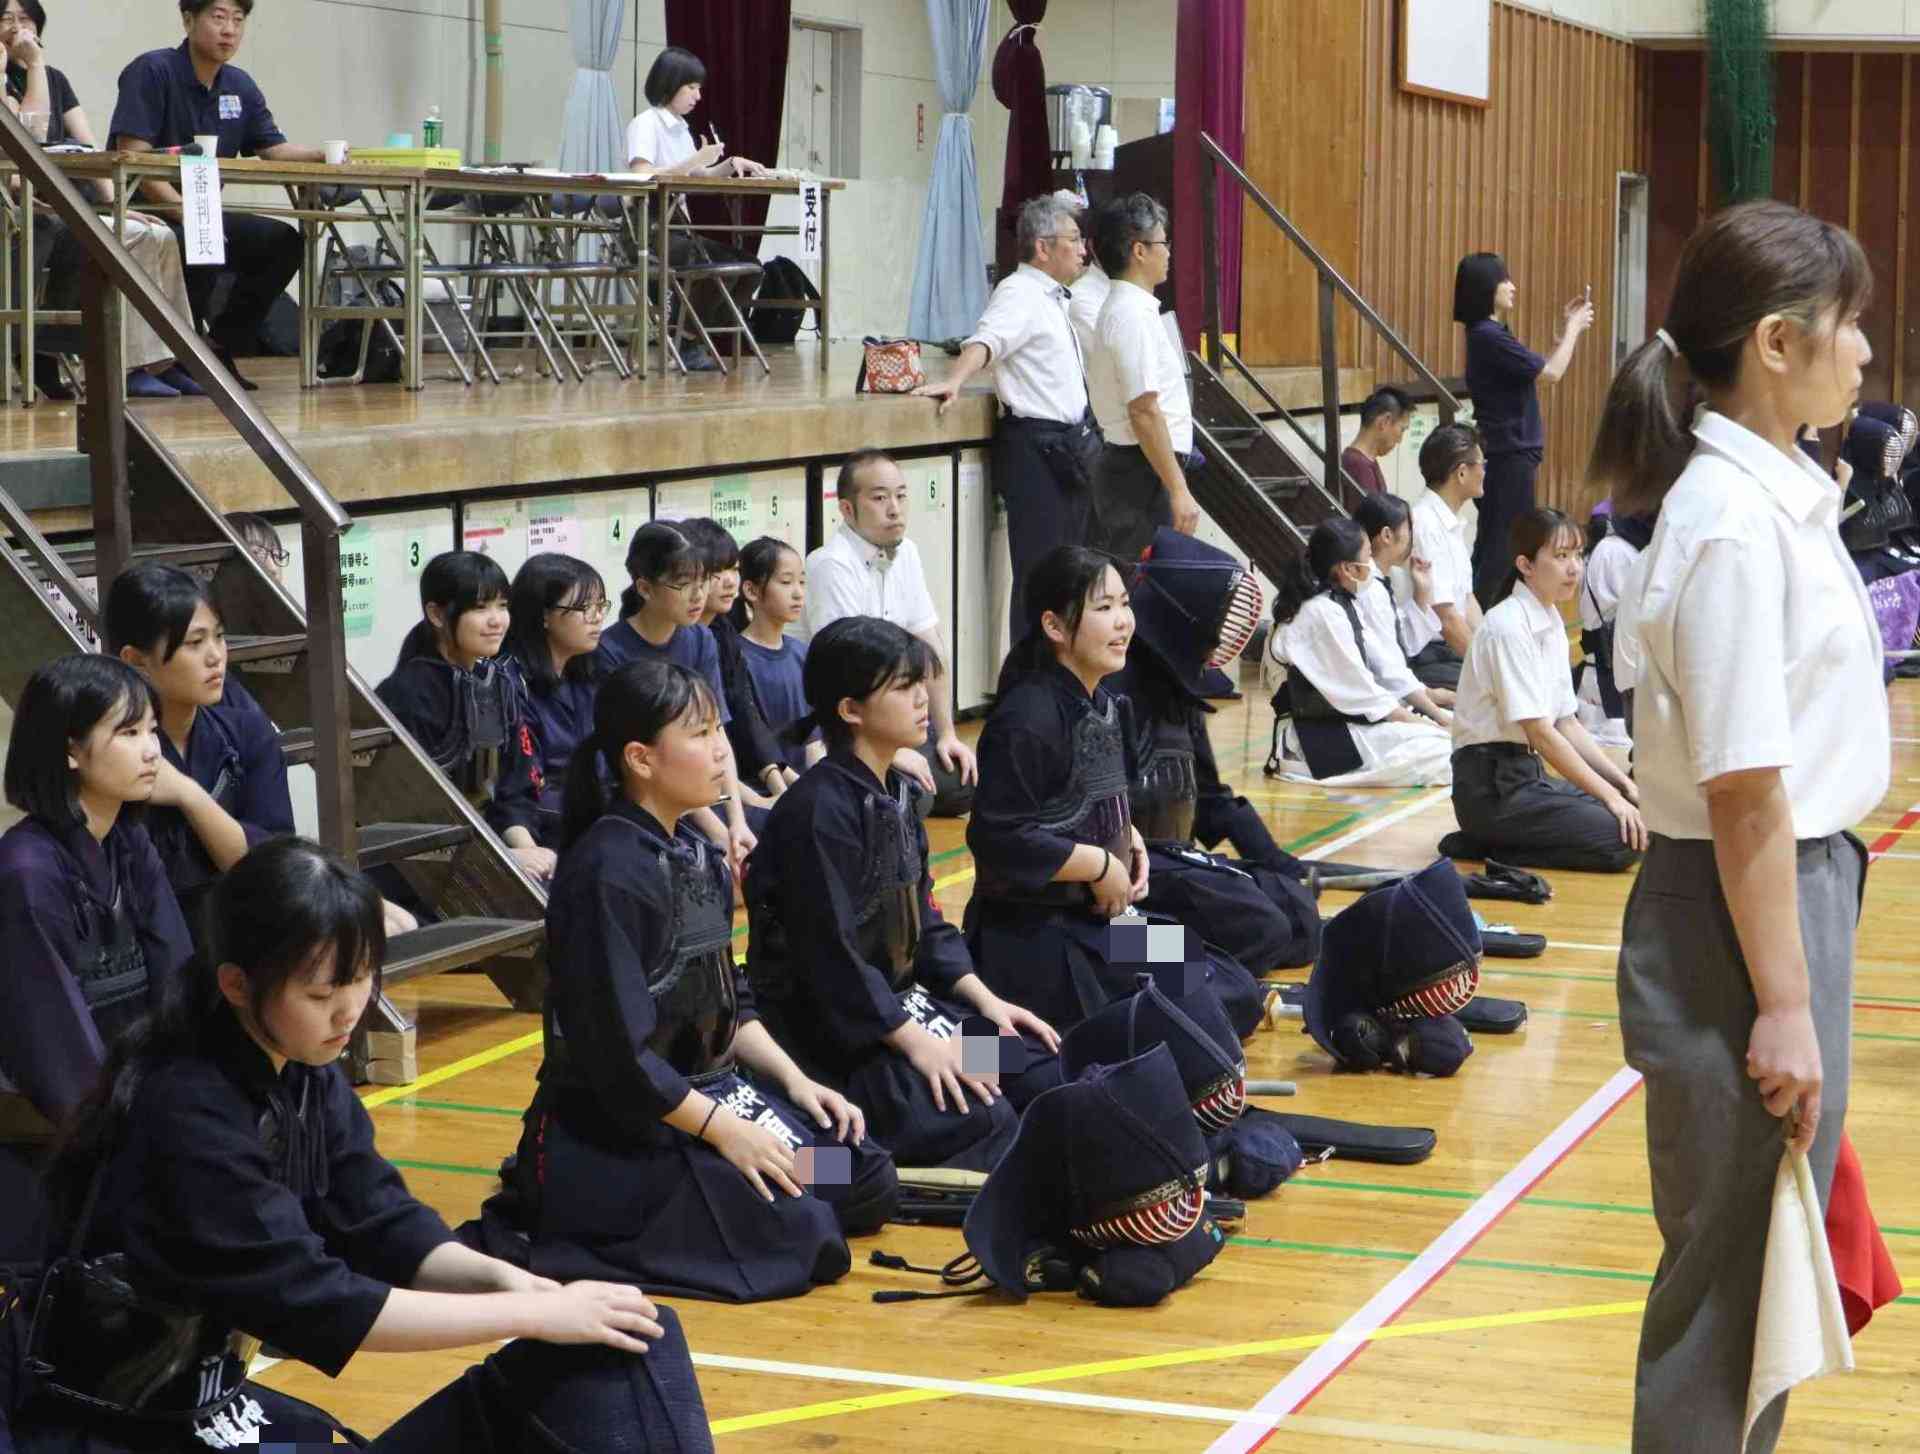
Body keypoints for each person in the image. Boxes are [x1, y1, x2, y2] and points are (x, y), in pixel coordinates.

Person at [0, 837, 717, 1451]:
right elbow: (320, 1300)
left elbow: (376, 1216)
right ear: (237, 985)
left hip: (741, 1126)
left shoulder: (700, 857)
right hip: (131, 1420)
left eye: (363, 979)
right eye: (322, 994)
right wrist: (533, 1310)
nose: (351, 1010)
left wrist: (514, 1283)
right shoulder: (185, 1109)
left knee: (644, 1331)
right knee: (788, 1227)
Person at [1593, 200, 1884, 1454]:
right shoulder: (1725, 522)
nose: (1862, 353)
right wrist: (1783, 999)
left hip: (1785, 896)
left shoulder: (1775, 501)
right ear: (1776, 342)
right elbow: (1745, 788)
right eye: (1847, 326)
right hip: (1741, 912)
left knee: (1764, 1276)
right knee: (1727, 1290)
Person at [467, 661, 898, 1304]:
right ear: (641, 758)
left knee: (862, 1177)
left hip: (721, 1091)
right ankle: (555, 1220)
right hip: (632, 1130)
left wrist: (797, 1082)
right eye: (700, 734)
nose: (722, 750)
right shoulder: (607, 873)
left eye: (718, 729)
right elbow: (621, 1059)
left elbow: (731, 998)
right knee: (807, 1233)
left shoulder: (698, 851)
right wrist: (725, 1130)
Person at [746, 617, 1060, 1172]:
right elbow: (831, 958)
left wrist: (987, 1002)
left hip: (908, 1004)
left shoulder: (898, 790)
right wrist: (914, 1042)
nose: (924, 699)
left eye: (923, 682)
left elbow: (929, 922)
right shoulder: (817, 812)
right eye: (903, 686)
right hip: (846, 1032)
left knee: (1036, 1068)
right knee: (979, 1115)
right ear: (850, 710)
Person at [965, 545, 1266, 1038]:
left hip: (1102, 924)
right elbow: (999, 838)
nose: (1123, 622)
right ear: (1054, 626)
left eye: (1125, 604)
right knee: (1181, 1015)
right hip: (1035, 935)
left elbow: (1092, 794)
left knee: (1228, 986)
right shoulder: (1026, 718)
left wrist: (1128, 840)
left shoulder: (1105, 702)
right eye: (1104, 608)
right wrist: (1101, 865)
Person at [0, 655, 192, 1269]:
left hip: (118, 1098)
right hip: (38, 1125)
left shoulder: (131, 841)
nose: (150, 750)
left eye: (153, 731)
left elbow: (177, 978)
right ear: (71, 752)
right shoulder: (26, 873)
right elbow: (53, 1050)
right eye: (128, 732)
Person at [1109, 529, 1325, 974]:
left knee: (1299, 917)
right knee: (1258, 938)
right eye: (1104, 608)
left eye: (1121, 606)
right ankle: (1154, 960)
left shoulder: (1173, 689)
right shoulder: (1083, 700)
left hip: (1167, 870)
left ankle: (1188, 959)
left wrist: (1279, 864)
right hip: (1102, 908)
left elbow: (1209, 800)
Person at [109, 0, 333, 384]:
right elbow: (133, 156)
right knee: (201, 238)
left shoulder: (240, 85)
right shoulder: (153, 70)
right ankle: (176, 355)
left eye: (238, 19)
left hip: (202, 210)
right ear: (188, 19)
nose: (229, 29)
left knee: (282, 242)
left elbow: (272, 149)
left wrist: (327, 156)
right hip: (148, 208)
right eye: (218, 17)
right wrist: (184, 210)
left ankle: (216, 345)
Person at [913, 194, 1099, 637]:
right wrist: (955, 379)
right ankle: (1030, 682)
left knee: (1071, 572)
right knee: (1040, 575)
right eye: (1073, 239)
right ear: (1042, 247)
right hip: (1037, 448)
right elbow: (986, 340)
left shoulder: (1052, 296)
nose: (1083, 249)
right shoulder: (1018, 292)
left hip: (1070, 445)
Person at [2, 0, 204, 401]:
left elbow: (90, 149)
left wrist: (119, 206)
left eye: (25, 19)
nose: (16, 27)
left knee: (159, 233)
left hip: (75, 200)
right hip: (28, 204)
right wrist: (33, 64)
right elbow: (32, 133)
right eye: (5, 19)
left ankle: (167, 359)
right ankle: (125, 366)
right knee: (128, 239)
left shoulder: (57, 80)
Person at [1439, 507, 1644, 873]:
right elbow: (1542, 734)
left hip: (1524, 776)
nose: (1574, 568)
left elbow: (1567, 724)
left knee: (1642, 816)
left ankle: (1495, 840)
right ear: (1526, 565)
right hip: (1490, 790)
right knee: (1619, 840)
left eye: (1578, 555)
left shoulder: (1549, 620)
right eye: (1561, 556)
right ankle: (1484, 843)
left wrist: (1623, 787)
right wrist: (1611, 798)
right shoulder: (1507, 626)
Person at [102, 563, 290, 928]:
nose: (216, 656)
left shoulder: (248, 731)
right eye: (195, 642)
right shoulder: (109, 750)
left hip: (241, 929)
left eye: (219, 637)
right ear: (136, 661)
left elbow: (272, 868)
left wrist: (189, 794)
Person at [798, 450, 978, 816]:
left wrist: (947, 733)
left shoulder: (907, 552)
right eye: (879, 498)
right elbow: (848, 675)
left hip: (893, 715)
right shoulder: (830, 565)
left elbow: (931, 651)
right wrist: (893, 751)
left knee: (964, 781)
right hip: (850, 727)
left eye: (900, 495)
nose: (894, 508)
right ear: (847, 510)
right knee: (913, 795)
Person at [375, 551, 553, 884]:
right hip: (421, 869)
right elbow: (411, 811)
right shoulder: (407, 696)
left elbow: (517, 784)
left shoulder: (499, 682)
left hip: (490, 846)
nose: (497, 620)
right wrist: (504, 858)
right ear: (437, 614)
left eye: (502, 606)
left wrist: (528, 851)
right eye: (480, 608)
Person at [595, 522, 760, 874]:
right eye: (683, 584)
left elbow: (718, 733)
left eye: (702, 582)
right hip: (648, 798)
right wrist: (718, 831)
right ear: (644, 588)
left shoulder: (700, 639)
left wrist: (737, 821)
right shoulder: (610, 651)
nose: (697, 595)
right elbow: (646, 764)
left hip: (703, 787)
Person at [1264, 518, 1454, 787]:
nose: (1372, 565)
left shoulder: (1339, 602)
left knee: (1456, 737)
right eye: (1367, 557)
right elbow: (1366, 694)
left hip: (1347, 722)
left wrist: (1439, 717)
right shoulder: (1321, 613)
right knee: (1449, 753)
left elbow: (1387, 669)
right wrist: (1428, 726)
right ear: (1348, 569)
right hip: (1316, 740)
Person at [1453, 251, 1595, 604]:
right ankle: (1476, 626)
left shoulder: (1492, 334)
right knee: (1502, 548)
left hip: (1511, 453)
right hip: (1509, 453)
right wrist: (1575, 329)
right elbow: (1552, 374)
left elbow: (1538, 372)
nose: (1513, 287)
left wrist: (1565, 332)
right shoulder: (1488, 335)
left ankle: (1480, 621)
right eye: (1505, 280)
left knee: (1500, 543)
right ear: (1488, 286)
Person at [626, 45, 766, 370]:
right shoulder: (645, 124)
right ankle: (683, 341)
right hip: (649, 228)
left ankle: (687, 337)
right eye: (691, 87)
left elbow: (699, 175)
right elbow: (641, 175)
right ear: (669, 83)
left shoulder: (680, 127)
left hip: (678, 228)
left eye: (699, 88)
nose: (697, 96)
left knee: (749, 267)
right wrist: (694, 160)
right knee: (707, 263)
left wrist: (730, 163)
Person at [1087, 192, 1203, 561]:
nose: (1168, 252)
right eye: (1162, 243)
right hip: (1139, 472)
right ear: (1139, 251)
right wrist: (1178, 488)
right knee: (1141, 590)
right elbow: (1144, 410)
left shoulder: (1136, 310)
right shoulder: (1130, 315)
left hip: (1144, 468)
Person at [501, 552, 608, 848]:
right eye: (584, 607)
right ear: (544, 615)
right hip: (547, 824)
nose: (597, 616)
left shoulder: (588, 672)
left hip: (591, 810)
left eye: (600, 605)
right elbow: (517, 790)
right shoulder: (511, 683)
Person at [683, 517, 790, 805]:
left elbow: (744, 711)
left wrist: (781, 785)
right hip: (697, 784)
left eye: (734, 569)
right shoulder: (679, 640)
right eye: (716, 572)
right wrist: (755, 802)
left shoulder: (721, 631)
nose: (731, 581)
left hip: (734, 771)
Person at [1394, 423, 1487, 690]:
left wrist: (1490, 650)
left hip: (1451, 651)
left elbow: (1467, 601)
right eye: (1481, 464)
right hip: (1428, 656)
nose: (1484, 471)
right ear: (1461, 472)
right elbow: (1445, 618)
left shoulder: (1451, 523)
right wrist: (1487, 669)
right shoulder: (1425, 523)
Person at [1353, 490, 1457, 711]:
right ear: (1387, 535)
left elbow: (1401, 643)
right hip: (1381, 702)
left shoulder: (1377, 581)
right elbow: (1386, 667)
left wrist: (1422, 592)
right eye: (1409, 528)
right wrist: (1432, 701)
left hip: (1395, 694)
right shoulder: (1369, 588)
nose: (1413, 537)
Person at [732, 535, 819, 776]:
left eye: (802, 582)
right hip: (763, 786)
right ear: (751, 590)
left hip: (805, 783)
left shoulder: (802, 653)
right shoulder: (737, 657)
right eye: (786, 582)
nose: (798, 593)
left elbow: (815, 739)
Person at [1573, 504, 1650, 750]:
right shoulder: (1614, 552)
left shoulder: (1626, 550)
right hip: (1607, 693)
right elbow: (1632, 619)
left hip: (1620, 682)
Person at [1340, 387, 1413, 495]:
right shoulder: (1358, 466)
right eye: (1402, 429)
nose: (1400, 440)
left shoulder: (1361, 462)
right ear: (1385, 421)